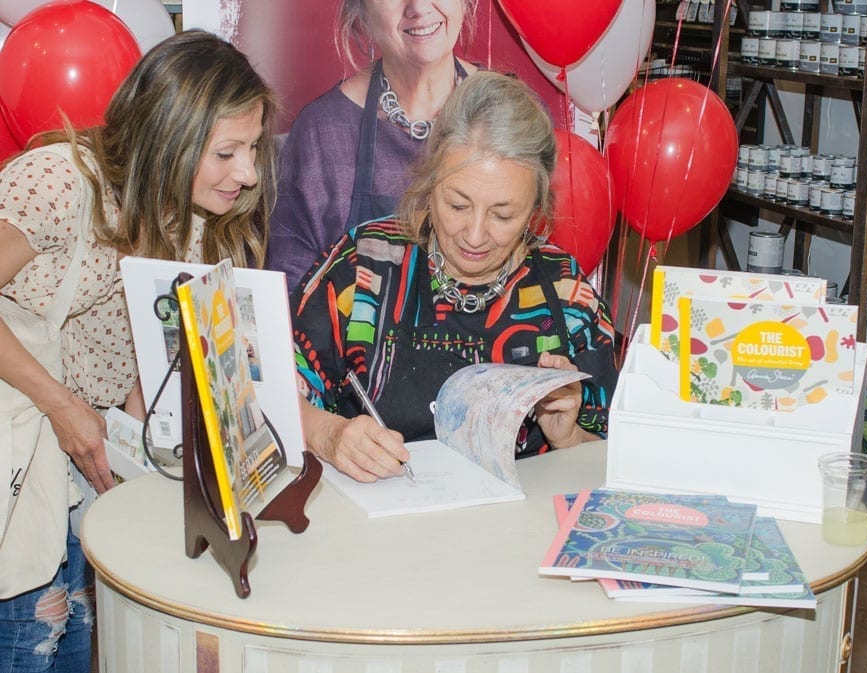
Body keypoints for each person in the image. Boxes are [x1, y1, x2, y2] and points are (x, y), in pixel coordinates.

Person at [0, 30, 277, 671]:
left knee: (79, 648)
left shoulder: (198, 217)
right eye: (228, 152)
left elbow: (150, 355)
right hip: (22, 457)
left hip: (90, 471)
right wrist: (60, 403)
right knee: (26, 646)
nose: (249, 174)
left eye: (255, 149)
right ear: (168, 137)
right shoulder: (60, 183)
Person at [291, 71, 618, 483]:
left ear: (537, 204)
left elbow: (616, 467)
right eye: (458, 205)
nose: (476, 235)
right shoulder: (365, 267)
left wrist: (568, 438)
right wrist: (328, 434)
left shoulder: (565, 294)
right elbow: (264, 391)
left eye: (503, 215)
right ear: (430, 184)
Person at [267, 0, 479, 291]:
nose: (418, 7)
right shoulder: (322, 132)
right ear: (362, 15)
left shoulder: (512, 114)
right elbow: (290, 290)